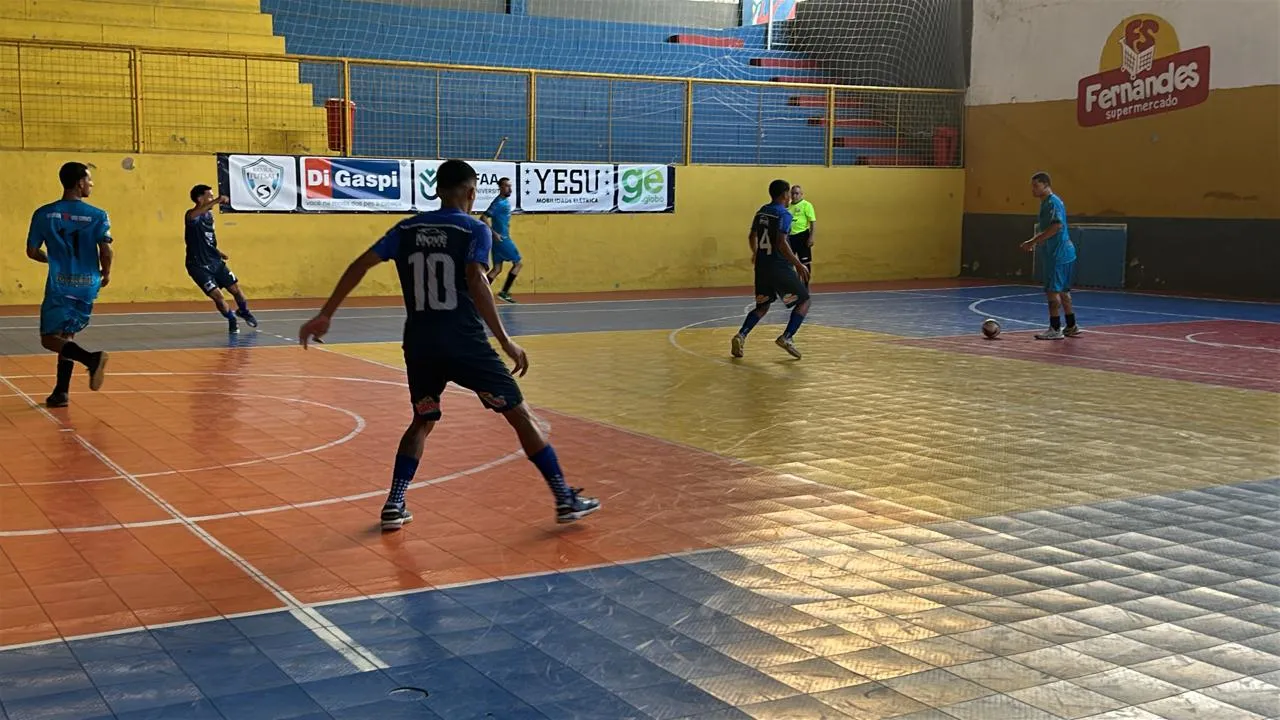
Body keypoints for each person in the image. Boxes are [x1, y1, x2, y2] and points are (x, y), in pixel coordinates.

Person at [298, 160, 599, 530]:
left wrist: (326, 313)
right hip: (464, 344)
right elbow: (476, 278)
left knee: (422, 420)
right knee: (521, 416)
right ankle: (563, 498)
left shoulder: (406, 228)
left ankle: (395, 502)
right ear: (471, 193)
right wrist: (504, 340)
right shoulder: (475, 229)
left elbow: (360, 264)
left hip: (421, 345)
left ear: (437, 189)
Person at [25, 162, 112, 408]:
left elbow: (32, 251)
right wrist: (106, 273)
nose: (91, 184)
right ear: (79, 183)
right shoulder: (98, 215)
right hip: (87, 283)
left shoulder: (44, 213)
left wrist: (51, 259)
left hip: (61, 282)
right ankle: (61, 392)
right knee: (66, 335)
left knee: (49, 338)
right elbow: (106, 250)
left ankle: (91, 359)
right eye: (89, 179)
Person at [731, 179, 812, 360]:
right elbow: (782, 243)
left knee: (763, 305)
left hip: (762, 267)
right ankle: (787, 337)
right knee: (804, 301)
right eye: (789, 193)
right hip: (779, 267)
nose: (791, 196)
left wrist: (755, 253)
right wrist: (798, 264)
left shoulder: (761, 212)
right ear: (784, 195)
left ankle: (741, 335)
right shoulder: (783, 214)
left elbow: (752, 235)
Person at [186, 184, 258, 333]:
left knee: (236, 289)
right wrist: (218, 200)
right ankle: (232, 320)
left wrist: (218, 252)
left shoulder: (209, 216)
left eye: (213, 196)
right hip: (198, 266)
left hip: (215, 262)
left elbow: (206, 240)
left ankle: (243, 311)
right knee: (218, 296)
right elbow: (193, 215)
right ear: (200, 199)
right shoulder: (192, 215)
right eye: (210, 196)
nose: (212, 198)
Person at [1022, 172, 1081, 340]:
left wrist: (1032, 241)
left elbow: (1056, 227)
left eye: (1036, 186)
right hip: (1061, 252)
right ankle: (1071, 325)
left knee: (1052, 291)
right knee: (1063, 291)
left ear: (1046, 185)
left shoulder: (1052, 203)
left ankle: (1055, 328)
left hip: (1058, 253)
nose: (1033, 189)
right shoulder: (1046, 203)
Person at [481, 177, 521, 303]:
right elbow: (483, 217)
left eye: (510, 186)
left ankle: (478, 293)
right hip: (503, 239)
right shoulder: (498, 203)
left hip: (498, 241)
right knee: (518, 263)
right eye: (507, 186)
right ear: (501, 187)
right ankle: (504, 292)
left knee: (497, 269)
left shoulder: (504, 201)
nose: (510, 188)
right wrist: (494, 234)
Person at [787, 184, 817, 286]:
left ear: (801, 194)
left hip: (802, 236)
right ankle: (792, 286)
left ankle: (805, 285)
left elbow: (812, 221)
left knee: (804, 263)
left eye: (797, 193)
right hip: (790, 237)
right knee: (788, 263)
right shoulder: (788, 206)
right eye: (792, 193)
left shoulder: (806, 205)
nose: (794, 196)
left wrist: (811, 237)